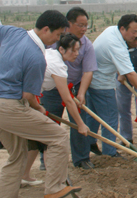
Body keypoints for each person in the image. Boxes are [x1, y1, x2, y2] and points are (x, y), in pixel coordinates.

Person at [0, 10, 82, 198]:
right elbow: (28, 96)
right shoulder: (36, 57)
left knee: (17, 156)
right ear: (46, 29)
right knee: (57, 136)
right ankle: (54, 188)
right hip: (10, 107)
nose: (57, 40)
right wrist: (38, 109)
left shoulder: (13, 32)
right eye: (57, 35)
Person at [83, 14, 137, 159]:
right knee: (110, 118)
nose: (135, 35)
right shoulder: (115, 44)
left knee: (94, 116)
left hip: (91, 80)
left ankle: (88, 142)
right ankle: (110, 153)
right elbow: (131, 74)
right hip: (102, 83)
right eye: (133, 32)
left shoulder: (111, 30)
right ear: (122, 28)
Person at [23, 33, 91, 181]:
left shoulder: (51, 54)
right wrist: (80, 124)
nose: (77, 54)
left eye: (78, 50)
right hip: (23, 100)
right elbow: (67, 100)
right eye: (73, 50)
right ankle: (57, 180)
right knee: (54, 137)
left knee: (36, 140)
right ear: (61, 49)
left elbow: (67, 95)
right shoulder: (57, 65)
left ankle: (24, 175)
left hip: (28, 97)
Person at [40, 7, 98, 170]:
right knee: (50, 122)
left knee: (80, 122)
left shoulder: (87, 45)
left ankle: (81, 158)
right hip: (51, 89)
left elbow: (88, 71)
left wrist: (81, 93)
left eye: (86, 25)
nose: (84, 29)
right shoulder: (53, 42)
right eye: (80, 25)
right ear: (69, 24)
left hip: (74, 86)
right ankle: (45, 160)